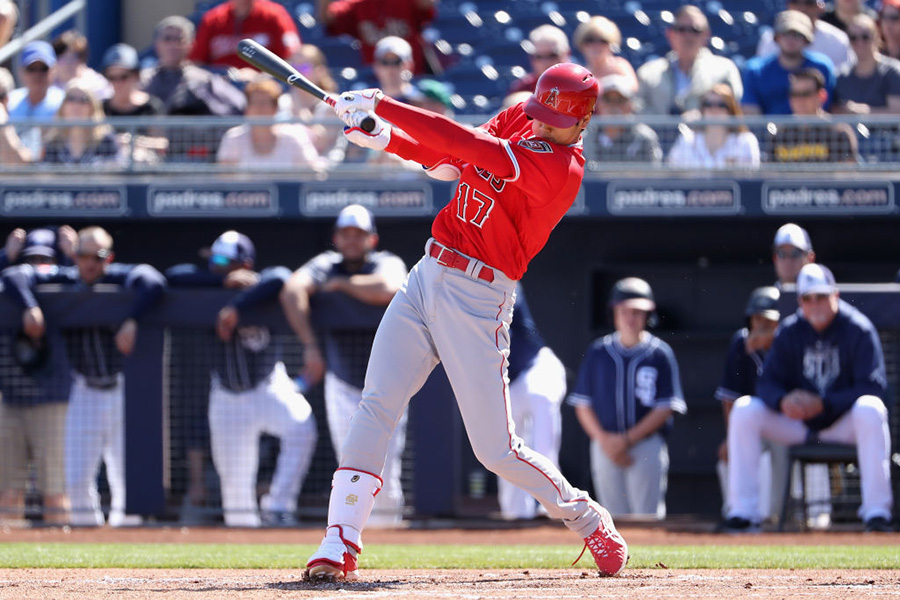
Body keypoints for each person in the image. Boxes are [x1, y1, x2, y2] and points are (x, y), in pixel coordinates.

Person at [304, 62, 628, 581]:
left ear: (582, 123)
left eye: (552, 119)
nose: (540, 124)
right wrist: (386, 138)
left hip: (480, 295)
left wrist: (383, 104)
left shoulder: (562, 171)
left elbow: (476, 151)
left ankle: (585, 517)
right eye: (539, 112)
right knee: (376, 402)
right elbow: (454, 158)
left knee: (495, 450)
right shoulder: (525, 114)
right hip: (429, 270)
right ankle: (339, 540)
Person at [1, 226, 166, 527]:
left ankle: (129, 550)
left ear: (109, 258)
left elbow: (153, 279)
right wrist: (30, 307)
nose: (90, 263)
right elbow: (14, 277)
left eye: (98, 256)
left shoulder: (119, 277)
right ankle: (89, 550)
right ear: (74, 256)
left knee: (126, 478)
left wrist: (133, 319)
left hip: (120, 390)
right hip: (82, 390)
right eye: (83, 255)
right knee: (75, 480)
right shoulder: (64, 278)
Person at [720, 263, 894, 533]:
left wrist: (825, 403)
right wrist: (783, 401)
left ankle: (877, 514)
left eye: (821, 296)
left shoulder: (858, 329)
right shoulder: (790, 331)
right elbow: (767, 384)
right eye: (807, 298)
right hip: (798, 424)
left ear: (835, 295)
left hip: (842, 423)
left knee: (871, 409)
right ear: (799, 300)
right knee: (745, 409)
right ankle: (743, 512)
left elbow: (873, 387)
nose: (815, 304)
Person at [166, 231, 317, 527]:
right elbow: (173, 275)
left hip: (268, 385)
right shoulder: (208, 285)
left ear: (244, 264)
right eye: (213, 260)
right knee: (235, 497)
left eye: (224, 262)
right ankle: (244, 553)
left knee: (302, 428)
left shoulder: (265, 284)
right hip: (227, 395)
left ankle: (278, 505)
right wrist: (222, 283)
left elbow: (280, 276)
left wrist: (239, 305)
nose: (216, 266)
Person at [281, 205, 408, 526]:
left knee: (385, 471)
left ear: (372, 238)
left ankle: (390, 543)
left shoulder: (386, 261)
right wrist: (310, 346)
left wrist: (344, 285)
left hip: (386, 385)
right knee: (350, 467)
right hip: (343, 381)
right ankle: (349, 537)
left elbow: (391, 287)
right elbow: (292, 289)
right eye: (346, 234)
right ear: (337, 237)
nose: (352, 241)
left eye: (359, 235)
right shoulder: (326, 264)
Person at [567, 278, 687, 520]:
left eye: (637, 312)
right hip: (605, 443)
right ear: (614, 313)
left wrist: (627, 439)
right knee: (611, 519)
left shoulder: (660, 353)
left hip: (645, 444)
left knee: (647, 518)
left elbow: (666, 407)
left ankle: (650, 561)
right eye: (625, 311)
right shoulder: (598, 351)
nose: (631, 318)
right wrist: (606, 441)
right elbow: (582, 404)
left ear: (647, 315)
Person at [0, 226, 76, 526]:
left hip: (51, 401)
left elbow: (81, 278)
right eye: (33, 258)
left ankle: (66, 567)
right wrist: (8, 255)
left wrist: (72, 255)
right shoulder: (13, 286)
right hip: (13, 399)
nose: (39, 264)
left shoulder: (65, 284)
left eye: (45, 257)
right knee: (8, 491)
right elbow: (13, 275)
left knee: (54, 491)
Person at [498, 285, 567, 521]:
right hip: (506, 381)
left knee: (541, 399)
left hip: (536, 366)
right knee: (504, 446)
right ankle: (515, 518)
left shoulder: (503, 277)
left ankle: (552, 503)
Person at [714, 286, 781, 521]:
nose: (761, 325)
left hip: (788, 423)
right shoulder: (741, 342)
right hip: (754, 425)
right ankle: (738, 512)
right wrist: (732, 437)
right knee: (727, 452)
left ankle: (813, 519)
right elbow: (730, 397)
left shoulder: (791, 342)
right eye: (757, 318)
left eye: (768, 320)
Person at [141, 16, 245, 161]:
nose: (173, 45)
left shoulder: (204, 79)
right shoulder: (142, 80)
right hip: (148, 156)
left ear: (191, 44)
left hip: (192, 156)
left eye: (179, 39)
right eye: (167, 39)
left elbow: (239, 108)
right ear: (157, 44)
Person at [636, 5, 742, 115]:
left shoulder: (724, 69)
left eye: (695, 30)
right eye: (682, 29)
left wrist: (700, 119)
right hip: (660, 132)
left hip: (708, 132)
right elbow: (638, 111)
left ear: (706, 35)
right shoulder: (648, 73)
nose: (688, 36)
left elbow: (733, 110)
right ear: (670, 34)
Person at [741, 10, 836, 115]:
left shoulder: (822, 67)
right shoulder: (755, 70)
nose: (790, 39)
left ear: (806, 39)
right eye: (785, 33)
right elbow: (751, 114)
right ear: (777, 37)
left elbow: (826, 107)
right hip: (767, 131)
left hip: (815, 131)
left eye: (797, 34)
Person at [216, 74, 321, 169]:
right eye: (255, 102)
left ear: (275, 108)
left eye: (265, 103)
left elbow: (312, 173)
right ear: (247, 108)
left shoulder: (294, 138)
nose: (260, 108)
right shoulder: (233, 138)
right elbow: (226, 181)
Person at [316, 0, 438, 75]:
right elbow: (328, 19)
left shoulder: (405, 2)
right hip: (374, 79)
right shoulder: (357, 5)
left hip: (411, 75)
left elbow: (426, 5)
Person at [766, 68, 858, 163]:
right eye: (794, 94)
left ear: (822, 96)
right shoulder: (780, 133)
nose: (799, 100)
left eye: (806, 94)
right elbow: (771, 173)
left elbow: (848, 172)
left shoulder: (838, 131)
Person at [279, 44, 346, 165]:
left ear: (320, 71)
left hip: (326, 174)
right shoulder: (282, 101)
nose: (298, 74)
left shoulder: (333, 103)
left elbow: (319, 144)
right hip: (289, 172)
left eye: (304, 68)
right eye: (294, 68)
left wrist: (300, 113)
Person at [189, 0, 301, 72]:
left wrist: (260, 76)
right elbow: (196, 62)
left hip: (263, 86)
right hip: (221, 88)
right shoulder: (213, 19)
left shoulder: (274, 15)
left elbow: (295, 60)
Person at [667, 83, 760, 168]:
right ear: (702, 110)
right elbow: (673, 174)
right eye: (708, 104)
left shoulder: (745, 141)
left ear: (731, 110)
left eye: (721, 105)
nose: (714, 109)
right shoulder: (687, 140)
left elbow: (750, 178)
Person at [582, 74, 662, 166]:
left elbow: (653, 174)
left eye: (620, 100)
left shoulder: (643, 138)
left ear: (630, 105)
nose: (613, 107)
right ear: (599, 104)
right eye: (608, 100)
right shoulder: (586, 137)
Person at [42, 79, 121, 166]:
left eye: (83, 100)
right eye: (71, 99)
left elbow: (114, 174)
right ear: (62, 106)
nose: (76, 105)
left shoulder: (106, 140)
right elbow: (46, 176)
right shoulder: (53, 142)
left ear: (92, 107)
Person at [832, 14, 900, 115]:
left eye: (865, 37)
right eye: (853, 38)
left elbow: (897, 113)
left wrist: (863, 111)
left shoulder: (892, 71)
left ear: (876, 37)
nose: (860, 42)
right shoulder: (840, 76)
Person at [6, 41, 64, 158]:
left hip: (52, 170)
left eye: (43, 68)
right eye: (31, 69)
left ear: (54, 70)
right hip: (13, 169)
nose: (37, 74)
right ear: (21, 71)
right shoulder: (10, 100)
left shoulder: (64, 102)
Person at [757, 0, 852, 71]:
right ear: (788, 5)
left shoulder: (838, 40)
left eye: (809, 2)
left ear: (821, 6)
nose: (802, 8)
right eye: (795, 1)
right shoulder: (770, 39)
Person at [573, 16, 638, 93]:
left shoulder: (620, 66)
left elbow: (633, 90)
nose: (596, 45)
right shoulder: (579, 73)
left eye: (603, 40)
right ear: (581, 44)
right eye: (589, 40)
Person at [508, 24, 571, 94]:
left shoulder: (583, 83)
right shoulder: (522, 89)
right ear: (531, 58)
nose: (546, 62)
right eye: (539, 56)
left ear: (567, 53)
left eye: (553, 55)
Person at [50, 30, 111, 100]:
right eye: (62, 58)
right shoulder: (47, 84)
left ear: (83, 60)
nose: (68, 64)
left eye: (73, 58)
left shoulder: (98, 85)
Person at [0, 68, 33, 164]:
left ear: (8, 98)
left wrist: (4, 128)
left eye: (0, 97)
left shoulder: (26, 123)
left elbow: (25, 163)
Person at [772, 222, 816, 290]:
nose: (788, 260)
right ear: (775, 258)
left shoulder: (821, 298)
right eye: (781, 254)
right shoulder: (767, 299)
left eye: (795, 254)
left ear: (810, 258)